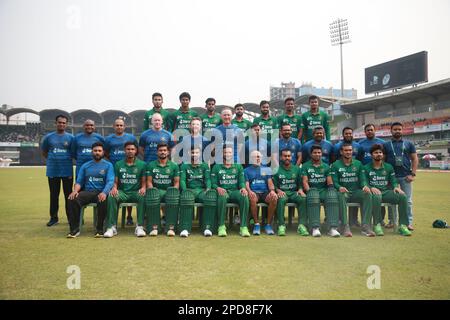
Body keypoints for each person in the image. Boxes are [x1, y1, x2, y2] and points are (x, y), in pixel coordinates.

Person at [66, 142, 115, 238]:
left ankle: (100, 229)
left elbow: (110, 181)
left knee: (103, 199)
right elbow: (79, 181)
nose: (97, 153)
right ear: (92, 152)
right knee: (72, 199)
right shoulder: (85, 165)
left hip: (101, 192)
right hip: (87, 192)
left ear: (103, 152)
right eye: (95, 151)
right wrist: (75, 191)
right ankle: (74, 229)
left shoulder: (108, 165)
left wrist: (104, 192)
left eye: (99, 151)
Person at [364, 144, 412, 236]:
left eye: (380, 152)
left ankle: (403, 225)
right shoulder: (366, 167)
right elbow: (364, 182)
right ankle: (377, 224)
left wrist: (395, 187)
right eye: (376, 152)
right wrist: (370, 187)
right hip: (374, 193)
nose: (378, 154)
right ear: (371, 155)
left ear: (383, 154)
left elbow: (393, 180)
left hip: (386, 192)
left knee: (402, 196)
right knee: (377, 196)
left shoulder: (389, 167)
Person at [330, 143, 374, 237]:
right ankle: (344, 226)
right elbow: (335, 182)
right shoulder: (335, 165)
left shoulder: (358, 164)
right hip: (343, 193)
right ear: (341, 152)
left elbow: (362, 179)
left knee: (367, 194)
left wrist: (365, 186)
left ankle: (366, 226)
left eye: (350, 150)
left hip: (355, 192)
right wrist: (339, 187)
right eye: (346, 150)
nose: (348, 152)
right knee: (341, 195)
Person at [104, 142, 147, 238]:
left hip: (136, 192)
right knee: (112, 196)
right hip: (123, 192)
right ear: (124, 150)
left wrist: (143, 188)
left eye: (132, 149)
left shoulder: (142, 164)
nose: (130, 151)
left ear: (136, 151)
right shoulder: (118, 164)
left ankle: (139, 226)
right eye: (128, 149)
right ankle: (111, 227)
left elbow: (144, 181)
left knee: (143, 196)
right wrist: (114, 188)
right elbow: (115, 181)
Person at [383, 122, 418, 230]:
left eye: (399, 129)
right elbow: (383, 160)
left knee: (407, 200)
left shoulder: (409, 144)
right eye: (395, 129)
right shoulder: (386, 145)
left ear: (402, 130)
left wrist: (413, 174)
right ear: (391, 131)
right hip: (390, 177)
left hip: (405, 176)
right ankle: (392, 221)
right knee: (390, 200)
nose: (397, 131)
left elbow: (415, 159)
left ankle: (408, 222)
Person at [41, 114, 74, 227]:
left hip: (67, 171)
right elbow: (45, 152)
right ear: (56, 123)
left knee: (68, 195)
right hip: (53, 171)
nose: (61, 124)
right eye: (59, 122)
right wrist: (53, 160)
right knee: (54, 195)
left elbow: (73, 153)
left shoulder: (71, 138)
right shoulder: (48, 137)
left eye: (64, 123)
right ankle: (53, 218)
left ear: (66, 124)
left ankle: (71, 218)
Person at [104, 117, 138, 225]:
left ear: (124, 126)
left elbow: (135, 150)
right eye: (117, 125)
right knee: (113, 192)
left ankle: (128, 216)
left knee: (128, 189)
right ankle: (112, 218)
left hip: (128, 168)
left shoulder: (131, 137)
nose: (119, 127)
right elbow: (106, 152)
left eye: (121, 125)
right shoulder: (109, 139)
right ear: (114, 126)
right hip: (114, 168)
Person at [301, 145, 341, 237]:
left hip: (323, 190)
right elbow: (305, 182)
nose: (317, 154)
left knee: (332, 196)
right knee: (314, 196)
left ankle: (332, 228)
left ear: (322, 154)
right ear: (311, 154)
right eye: (315, 152)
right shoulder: (305, 166)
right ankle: (315, 228)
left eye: (319, 152)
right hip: (311, 190)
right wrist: (309, 191)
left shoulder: (326, 166)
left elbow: (329, 181)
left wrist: (331, 189)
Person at [211, 145, 250, 237]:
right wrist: (218, 188)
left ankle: (243, 226)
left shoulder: (238, 166)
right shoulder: (216, 167)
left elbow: (241, 182)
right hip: (224, 191)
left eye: (229, 152)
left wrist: (243, 188)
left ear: (233, 154)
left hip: (235, 192)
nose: (228, 154)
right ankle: (221, 226)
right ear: (222, 154)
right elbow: (213, 183)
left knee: (244, 196)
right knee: (222, 196)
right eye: (225, 152)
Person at [179, 146, 216, 237]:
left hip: (201, 191)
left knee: (210, 198)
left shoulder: (204, 165)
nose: (194, 154)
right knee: (186, 198)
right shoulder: (184, 165)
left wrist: (208, 188)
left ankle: (207, 228)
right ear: (188, 153)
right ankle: (185, 228)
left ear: (200, 154)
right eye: (192, 153)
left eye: (196, 153)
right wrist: (184, 190)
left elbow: (208, 179)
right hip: (189, 190)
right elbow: (182, 180)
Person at [145, 143, 180, 237]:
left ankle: (170, 228)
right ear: (157, 152)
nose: (162, 152)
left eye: (164, 150)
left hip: (169, 191)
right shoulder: (151, 165)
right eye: (160, 150)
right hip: (157, 190)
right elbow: (149, 182)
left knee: (173, 197)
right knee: (153, 196)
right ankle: (154, 227)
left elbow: (176, 183)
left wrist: (173, 191)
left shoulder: (174, 165)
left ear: (168, 152)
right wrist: (152, 191)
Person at [333, 127, 364, 227]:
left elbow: (360, 158)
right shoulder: (337, 146)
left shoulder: (358, 146)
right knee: (342, 195)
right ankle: (341, 220)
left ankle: (353, 220)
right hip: (342, 171)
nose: (348, 135)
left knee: (355, 191)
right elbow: (333, 158)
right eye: (346, 133)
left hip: (353, 169)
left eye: (350, 133)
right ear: (343, 134)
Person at [273, 149, 307, 236]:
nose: (287, 158)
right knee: (280, 199)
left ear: (291, 157)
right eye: (285, 156)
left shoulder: (297, 169)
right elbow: (274, 184)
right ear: (281, 157)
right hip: (283, 193)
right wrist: (278, 190)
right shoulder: (276, 169)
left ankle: (301, 225)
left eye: (289, 156)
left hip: (293, 193)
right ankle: (281, 225)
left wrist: (300, 189)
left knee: (303, 198)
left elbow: (300, 183)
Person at [244, 150, 278, 235]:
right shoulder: (246, 170)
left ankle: (268, 225)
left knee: (274, 198)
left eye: (258, 156)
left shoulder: (266, 169)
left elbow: (270, 182)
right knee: (252, 198)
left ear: (262, 158)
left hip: (265, 192)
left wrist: (272, 191)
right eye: (254, 157)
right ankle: (256, 224)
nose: (257, 158)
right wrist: (249, 191)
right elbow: (246, 184)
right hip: (254, 192)